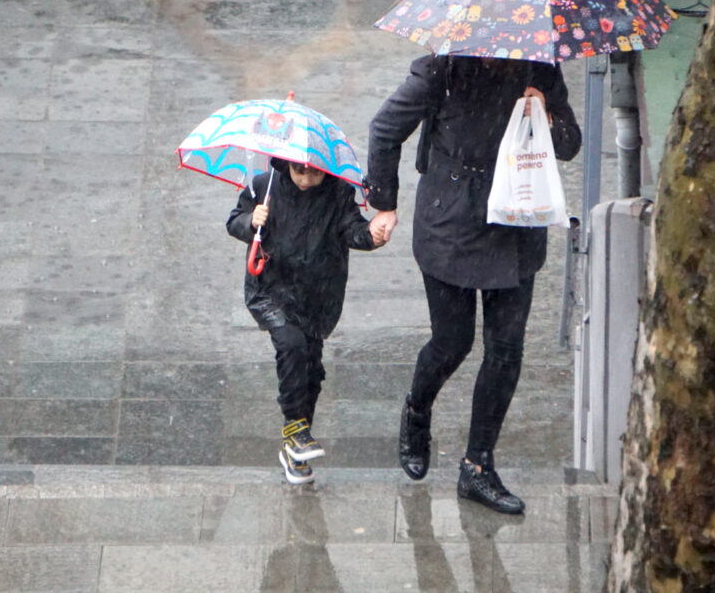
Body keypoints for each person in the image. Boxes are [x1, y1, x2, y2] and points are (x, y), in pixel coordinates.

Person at [365, 54, 581, 514]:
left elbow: (569, 143)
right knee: (452, 342)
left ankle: (478, 466)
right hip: (450, 222)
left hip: (516, 223)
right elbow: (384, 129)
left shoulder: (538, 67)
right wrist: (383, 202)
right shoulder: (439, 69)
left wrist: (544, 112)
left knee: (506, 351)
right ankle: (417, 409)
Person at [227, 157, 384, 484]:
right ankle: (295, 428)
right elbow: (234, 221)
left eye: (314, 172)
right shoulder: (264, 186)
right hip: (272, 288)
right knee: (292, 346)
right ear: (286, 165)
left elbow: (351, 229)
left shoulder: (338, 193)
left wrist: (371, 235)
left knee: (310, 366)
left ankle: (296, 444)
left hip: (318, 292)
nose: (306, 179)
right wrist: (251, 221)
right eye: (299, 171)